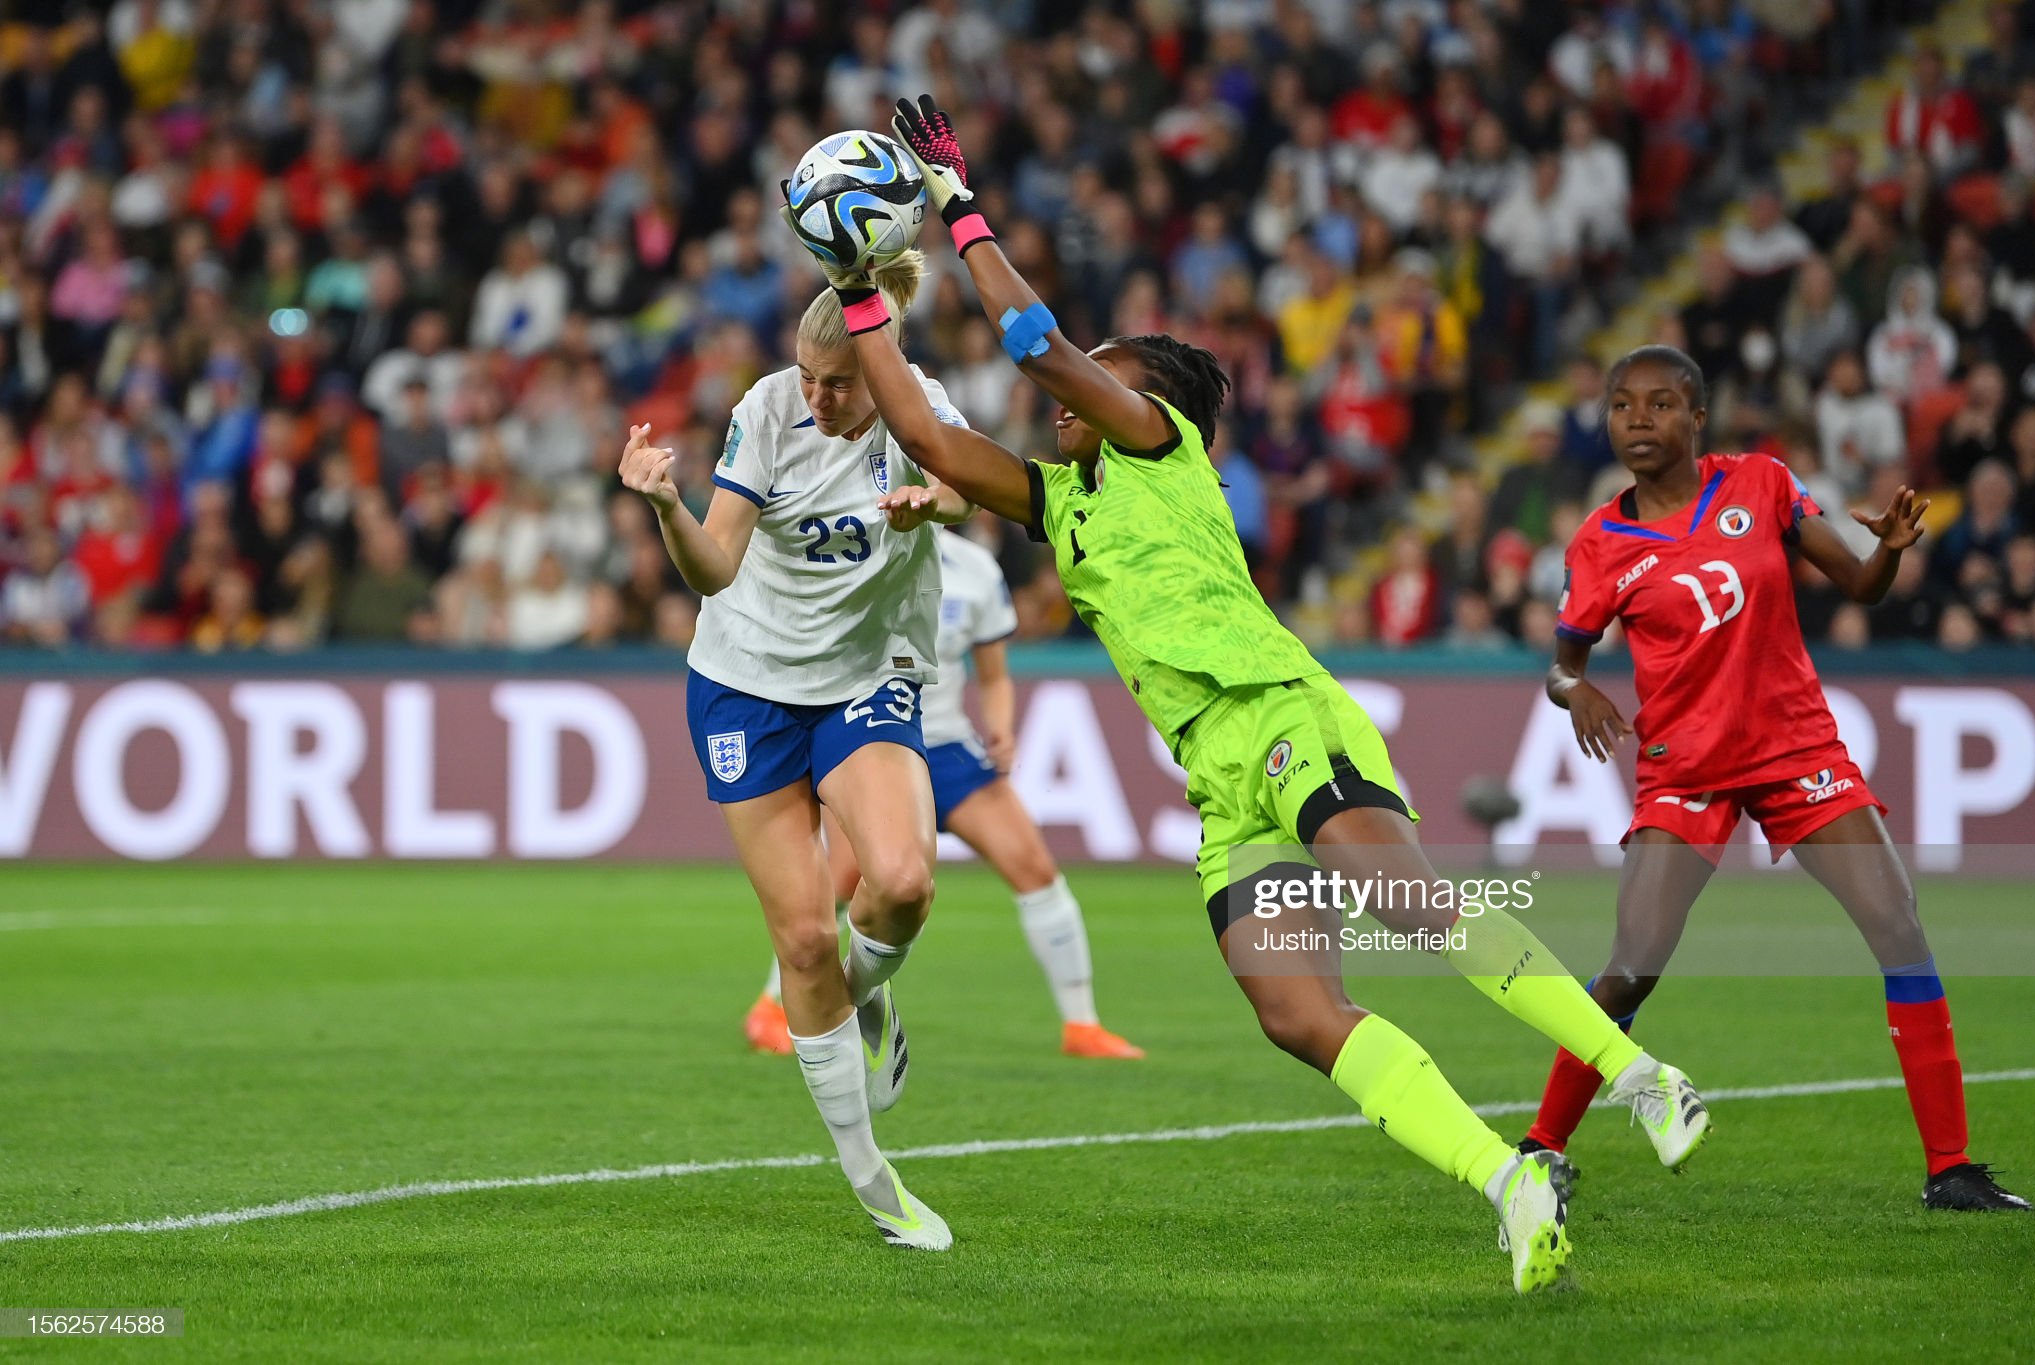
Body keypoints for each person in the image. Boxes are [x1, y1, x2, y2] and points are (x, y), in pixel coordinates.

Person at [784, 95, 1717, 1295]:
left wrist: (959, 208)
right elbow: (916, 425)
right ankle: (1509, 1182)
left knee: (1411, 905)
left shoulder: (1158, 443)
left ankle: (1642, 1079)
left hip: (1280, 715)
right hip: (1220, 784)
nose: (1065, 400)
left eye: (1096, 381)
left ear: (1147, 398)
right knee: (1294, 1014)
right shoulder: (1053, 500)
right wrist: (860, 288)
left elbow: (1030, 344)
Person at [1525, 344, 2032, 1214]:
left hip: (1796, 750)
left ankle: (1951, 1167)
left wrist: (1892, 553)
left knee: (1899, 926)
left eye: (1658, 404)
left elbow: (1860, 585)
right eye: (1620, 406)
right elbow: (1563, 665)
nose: (1637, 420)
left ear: (1697, 417)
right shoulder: (1600, 543)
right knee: (1634, 965)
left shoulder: (1760, 482)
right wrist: (1579, 693)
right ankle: (1539, 1149)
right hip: (1685, 766)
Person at [617, 249, 972, 1252]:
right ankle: (875, 1185)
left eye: (839, 386)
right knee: (805, 943)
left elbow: (971, 494)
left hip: (861, 679)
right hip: (744, 686)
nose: (817, 398)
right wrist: (663, 507)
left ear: (882, 373)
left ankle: (868, 994)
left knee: (901, 882)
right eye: (808, 379)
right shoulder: (768, 410)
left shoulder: (920, 408)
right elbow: (716, 569)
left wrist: (929, 502)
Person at [742, 526, 1147, 1062]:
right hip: (870, 741)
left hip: (947, 745)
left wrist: (1000, 727)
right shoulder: (858, 540)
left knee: (1034, 868)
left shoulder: (977, 569)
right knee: (839, 882)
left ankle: (1082, 1025)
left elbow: (994, 674)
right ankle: (770, 1006)